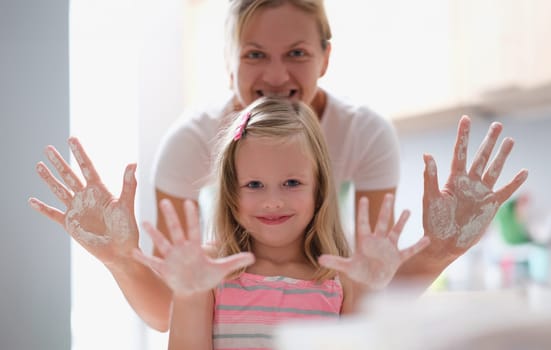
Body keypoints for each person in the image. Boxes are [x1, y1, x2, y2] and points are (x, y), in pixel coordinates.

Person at [28, 0, 528, 332]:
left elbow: (365, 287)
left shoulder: (365, 132)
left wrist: (436, 253)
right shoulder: (188, 143)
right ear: (229, 62)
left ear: (325, 57)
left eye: (296, 52)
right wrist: (122, 258)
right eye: (254, 54)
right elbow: (171, 306)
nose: (275, 75)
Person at [132, 97, 430, 349]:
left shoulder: (344, 280)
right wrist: (188, 296)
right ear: (230, 193)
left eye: (291, 182)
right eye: (254, 185)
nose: (272, 200)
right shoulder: (209, 274)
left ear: (320, 188)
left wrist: (368, 293)